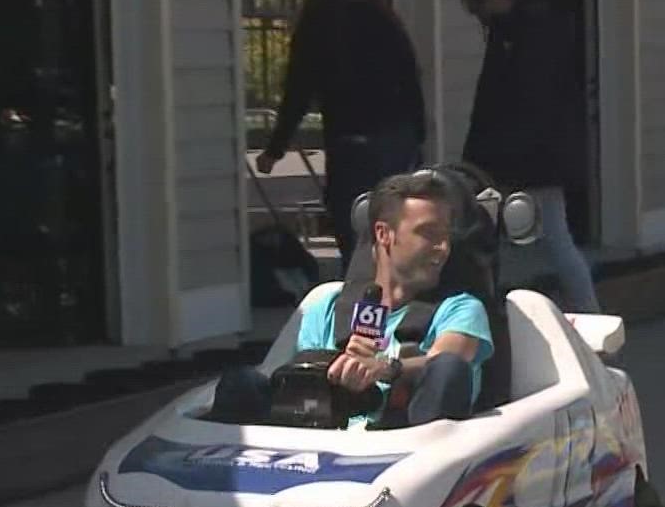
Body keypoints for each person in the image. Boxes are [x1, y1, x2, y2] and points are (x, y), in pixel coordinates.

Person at [210, 171, 494, 429]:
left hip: (411, 450)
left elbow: (450, 358)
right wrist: (339, 369)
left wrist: (384, 368)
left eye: (446, 236)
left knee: (447, 369)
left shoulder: (460, 308)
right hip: (322, 445)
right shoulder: (328, 306)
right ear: (384, 234)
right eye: (429, 234)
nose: (443, 248)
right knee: (239, 383)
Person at [257, 0, 426, 270]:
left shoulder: (319, 25)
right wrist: (417, 135)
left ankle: (363, 308)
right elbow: (410, 79)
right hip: (395, 136)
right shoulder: (385, 21)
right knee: (394, 229)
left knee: (355, 233)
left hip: (350, 140)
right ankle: (398, 304)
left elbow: (298, 92)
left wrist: (275, 149)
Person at [459, 0, 602, 313]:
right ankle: (585, 311)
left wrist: (485, 158)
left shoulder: (517, 37)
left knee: (547, 238)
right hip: (538, 154)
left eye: (478, 3)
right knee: (551, 237)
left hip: (527, 157)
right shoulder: (532, 29)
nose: (477, 15)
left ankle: (581, 311)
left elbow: (509, 104)